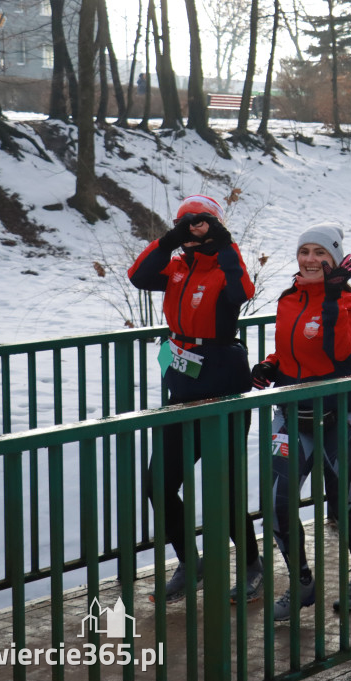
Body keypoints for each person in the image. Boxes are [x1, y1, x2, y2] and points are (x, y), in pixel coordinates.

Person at [128, 194, 262, 604]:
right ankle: (192, 562)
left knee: (227, 488)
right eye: (184, 222)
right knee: (159, 484)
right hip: (182, 384)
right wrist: (169, 240)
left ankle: (253, 565)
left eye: (201, 222)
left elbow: (242, 292)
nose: (193, 229)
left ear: (216, 226)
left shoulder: (223, 264)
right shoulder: (176, 268)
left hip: (222, 380)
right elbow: (138, 276)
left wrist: (223, 245)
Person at [250, 223, 351, 619]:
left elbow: (337, 350)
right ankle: (302, 582)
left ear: (335, 259)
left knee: (345, 503)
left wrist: (334, 294)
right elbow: (292, 351)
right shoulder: (289, 297)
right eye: (305, 251)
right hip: (293, 416)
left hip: (337, 416)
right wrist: (272, 366)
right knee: (275, 505)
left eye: (320, 253)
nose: (310, 259)